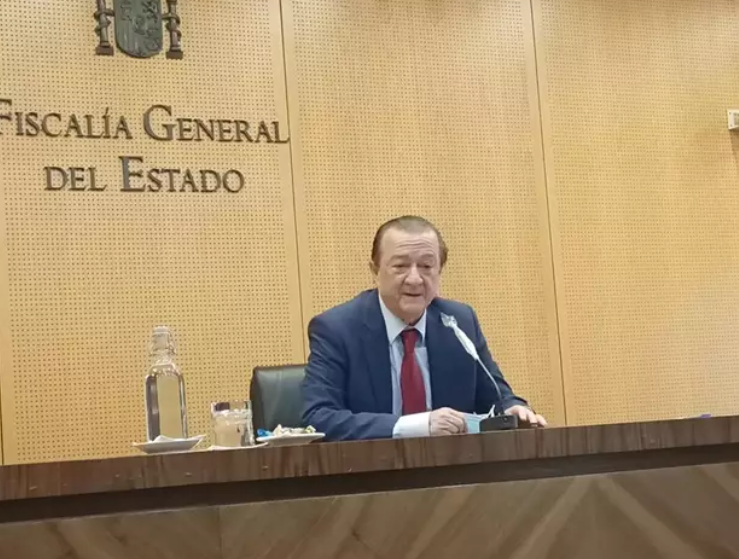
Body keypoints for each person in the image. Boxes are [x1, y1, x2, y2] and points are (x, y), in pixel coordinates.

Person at [301, 215, 546, 441]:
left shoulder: (459, 322)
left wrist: (513, 408)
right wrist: (417, 425)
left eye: (426, 267)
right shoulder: (337, 329)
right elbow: (318, 418)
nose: (415, 279)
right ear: (375, 271)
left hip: (454, 469)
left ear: (439, 271)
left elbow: (496, 397)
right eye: (400, 266)